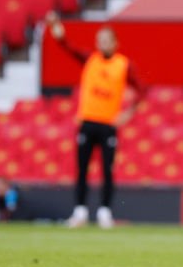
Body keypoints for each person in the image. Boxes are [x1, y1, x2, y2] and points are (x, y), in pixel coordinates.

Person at [46, 12, 145, 229]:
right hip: (87, 122)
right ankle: (80, 212)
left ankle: (104, 212)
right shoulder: (90, 60)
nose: (103, 45)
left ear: (116, 43)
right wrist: (56, 26)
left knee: (107, 170)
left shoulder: (123, 65)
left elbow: (141, 90)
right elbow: (66, 45)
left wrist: (128, 113)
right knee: (82, 169)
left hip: (108, 124)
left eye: (107, 41)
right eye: (100, 41)